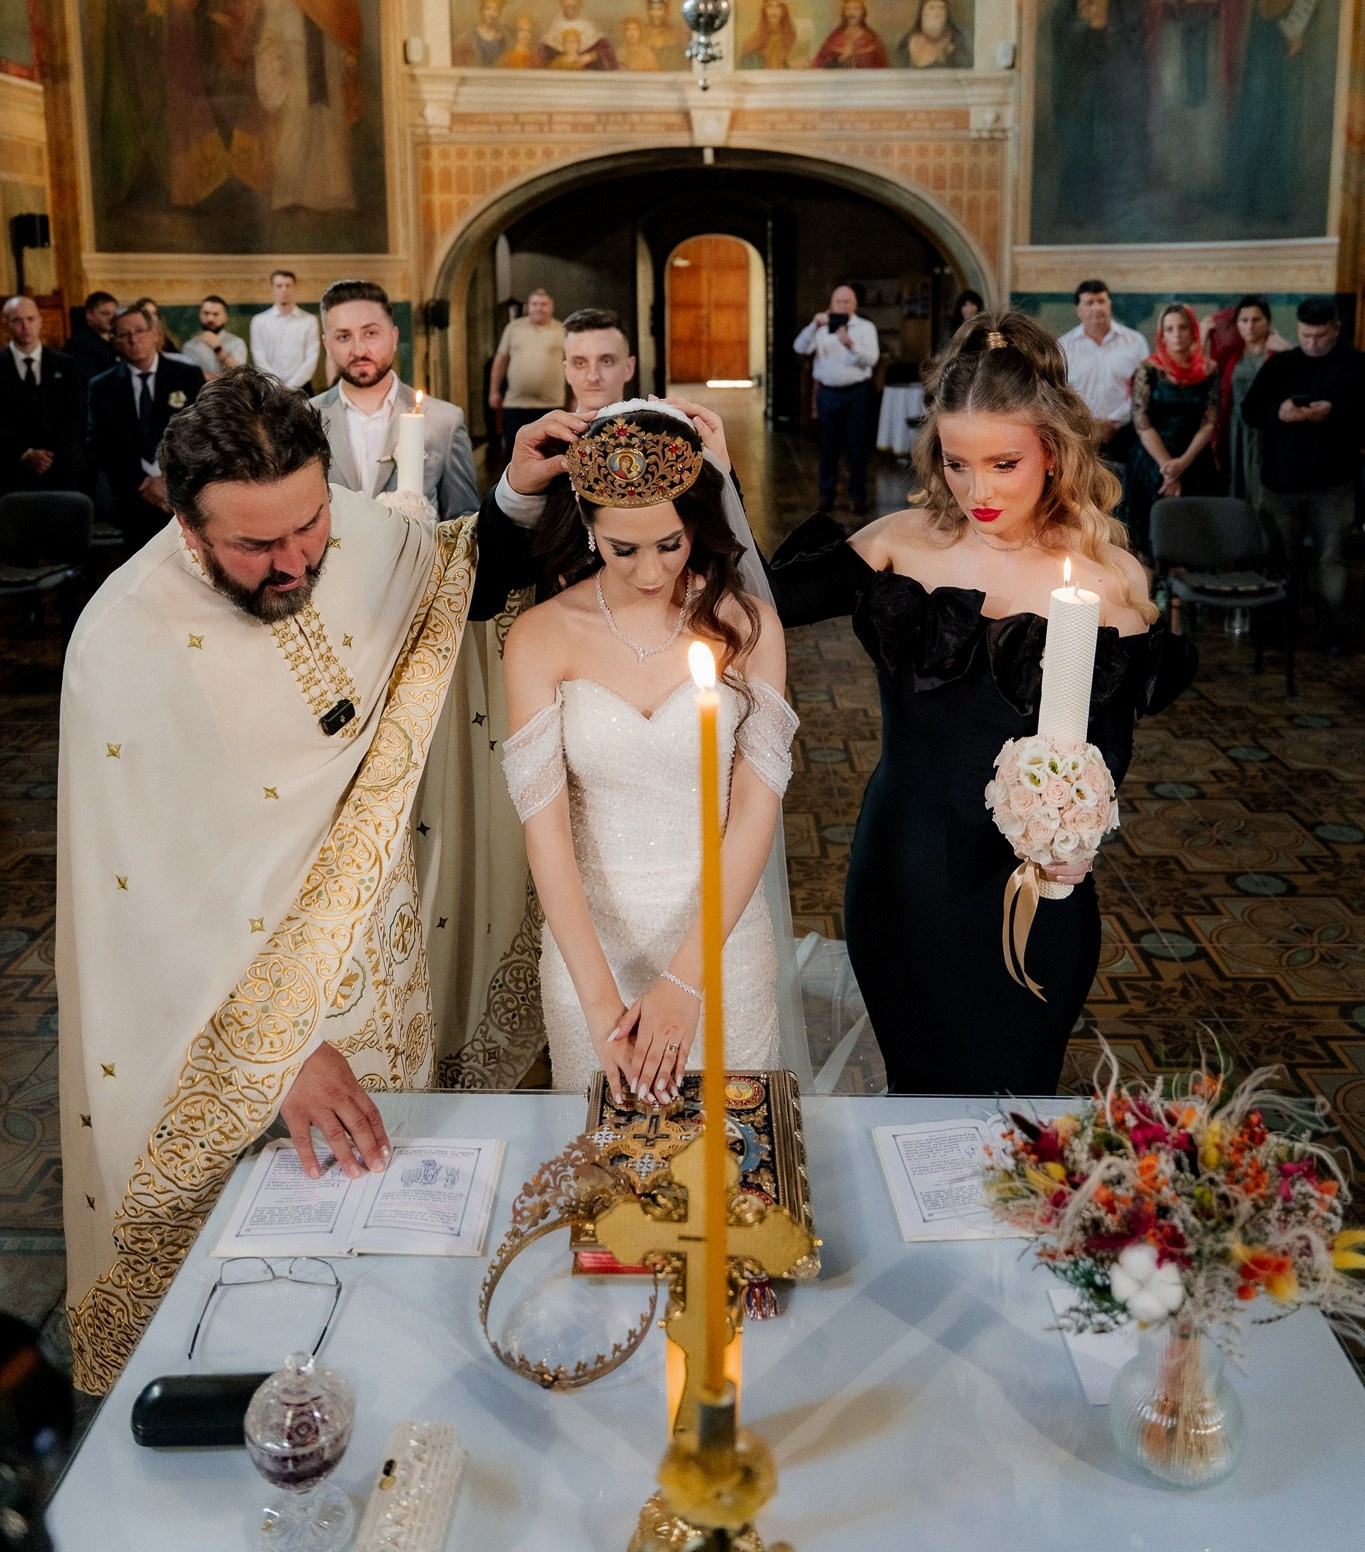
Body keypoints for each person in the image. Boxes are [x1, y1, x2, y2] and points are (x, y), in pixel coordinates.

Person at [57, 368, 571, 1393]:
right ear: (185, 521)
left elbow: (452, 581)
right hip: (237, 1026)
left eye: (308, 525)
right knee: (271, 1305)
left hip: (391, 954)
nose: (294, 561)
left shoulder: (357, 534)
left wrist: (515, 488)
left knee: (406, 1260)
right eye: (255, 545)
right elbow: (143, 902)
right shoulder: (121, 646)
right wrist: (283, 1056)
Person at [768, 310, 1195, 1095]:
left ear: (1053, 452)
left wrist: (1077, 833)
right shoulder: (897, 542)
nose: (978, 491)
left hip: (1032, 883)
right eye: (957, 464)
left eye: (1003, 463)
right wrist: (706, 475)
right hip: (902, 871)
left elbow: (1109, 744)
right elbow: (751, 599)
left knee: (1019, 1095)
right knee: (916, 1093)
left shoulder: (1106, 579)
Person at [501, 404, 796, 1098]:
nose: (648, 571)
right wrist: (600, 1002)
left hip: (723, 947)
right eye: (622, 549)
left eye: (669, 544)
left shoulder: (749, 628)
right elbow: (545, 834)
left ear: (696, 522)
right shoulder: (540, 636)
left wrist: (686, 982)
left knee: (732, 1153)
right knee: (604, 1152)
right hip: (589, 952)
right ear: (587, 526)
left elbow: (754, 815)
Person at [1241, 298, 1365, 648]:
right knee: (1282, 559)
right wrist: (1278, 413)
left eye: (1320, 336)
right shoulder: (1282, 364)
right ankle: (1281, 629)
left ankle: (1335, 633)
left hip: (1334, 483)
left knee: (1332, 558)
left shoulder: (1356, 364)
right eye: (1305, 335)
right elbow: (1250, 410)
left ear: (1335, 330)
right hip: (1282, 483)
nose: (1312, 343)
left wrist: (1335, 412)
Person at [311, 279, 478, 519]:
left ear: (394, 337)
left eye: (370, 333)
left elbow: (464, 522)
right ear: (327, 345)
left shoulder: (444, 421)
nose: (359, 350)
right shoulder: (305, 418)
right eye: (344, 337)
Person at [1229, 0, 1327, 231]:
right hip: (1265, 31)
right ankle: (1246, 200)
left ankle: (1277, 203)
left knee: (1285, 113)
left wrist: (1300, 28)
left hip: (1294, 31)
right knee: (1258, 109)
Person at [256, 0, 363, 215]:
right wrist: (268, 41)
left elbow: (345, 16)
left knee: (330, 123)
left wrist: (349, 51)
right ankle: (288, 195)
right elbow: (273, 14)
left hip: (329, 56)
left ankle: (334, 196)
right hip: (294, 55)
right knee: (295, 120)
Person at [165, 0, 267, 209]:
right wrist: (199, 9)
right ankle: (206, 188)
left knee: (233, 110)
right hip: (196, 48)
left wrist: (233, 18)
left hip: (232, 50)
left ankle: (238, 182)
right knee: (200, 109)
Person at [1050, 0, 1151, 225]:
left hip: (1121, 71)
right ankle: (1082, 209)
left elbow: (1148, 16)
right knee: (1086, 137)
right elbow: (1060, 22)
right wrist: (1081, 25)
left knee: (1121, 135)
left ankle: (1122, 209)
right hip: (1087, 73)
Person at [1147, 0, 1245, 206]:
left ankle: (1207, 186)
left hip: (1212, 44)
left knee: (1209, 113)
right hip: (1180, 47)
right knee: (1178, 108)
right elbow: (1158, 4)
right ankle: (1180, 184)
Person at [86, 304, 203, 552]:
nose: (133, 339)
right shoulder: (102, 387)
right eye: (124, 334)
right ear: (114, 341)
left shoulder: (187, 376)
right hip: (132, 496)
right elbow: (100, 445)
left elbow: (201, 434)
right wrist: (145, 483)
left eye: (140, 331)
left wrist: (168, 481)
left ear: (155, 334)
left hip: (183, 492)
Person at [85, 0, 168, 209]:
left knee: (152, 102)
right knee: (122, 103)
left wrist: (156, 4)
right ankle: (122, 181)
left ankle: (152, 177)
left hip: (146, 38)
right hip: (118, 37)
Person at [1125, 304, 1221, 556]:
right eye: (1169, 329)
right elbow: (1141, 422)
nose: (1176, 334)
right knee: (1150, 538)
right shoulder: (1148, 369)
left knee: (1193, 536)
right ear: (1162, 335)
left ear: (1193, 331)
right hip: (1153, 460)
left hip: (1194, 460)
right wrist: (1168, 468)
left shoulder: (1209, 370)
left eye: (1182, 327)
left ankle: (1186, 581)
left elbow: (1209, 421)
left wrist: (1183, 463)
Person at [794, 284, 880, 514]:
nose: (842, 305)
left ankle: (857, 496)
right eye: (838, 302)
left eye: (847, 301)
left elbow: (872, 359)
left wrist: (850, 344)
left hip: (857, 393)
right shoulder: (821, 329)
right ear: (831, 305)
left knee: (857, 447)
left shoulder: (865, 327)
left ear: (855, 304)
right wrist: (814, 325)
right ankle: (826, 496)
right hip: (828, 393)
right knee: (827, 446)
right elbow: (799, 347)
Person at [1059, 279, 1149, 479]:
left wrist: (1113, 421)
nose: (1096, 308)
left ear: (1110, 304)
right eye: (1089, 303)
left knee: (1126, 491)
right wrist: (1088, 423)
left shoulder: (1135, 342)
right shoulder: (1064, 346)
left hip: (1126, 433)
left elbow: (1142, 390)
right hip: (1079, 434)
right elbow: (1059, 392)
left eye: (1101, 301)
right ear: (1079, 310)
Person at [0, 296, 87, 495]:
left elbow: (76, 412)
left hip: (62, 467)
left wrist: (49, 455)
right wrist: (24, 453)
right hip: (12, 470)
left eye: (30, 319)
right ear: (6, 324)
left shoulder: (67, 364)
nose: (25, 326)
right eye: (17, 320)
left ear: (40, 321)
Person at [1224, 295, 1290, 508]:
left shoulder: (1279, 351)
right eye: (1244, 320)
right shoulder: (1232, 354)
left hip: (1268, 428)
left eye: (1256, 319)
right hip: (1237, 428)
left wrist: (1287, 353)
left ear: (1267, 321)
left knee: (1264, 487)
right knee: (1237, 482)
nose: (1250, 326)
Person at [489, 288, 566, 448]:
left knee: (550, 452)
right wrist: (493, 391)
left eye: (543, 304)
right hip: (515, 404)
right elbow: (501, 360)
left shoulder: (562, 330)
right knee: (514, 450)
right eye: (534, 304)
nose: (538, 308)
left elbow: (573, 363)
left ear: (552, 307)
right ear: (528, 307)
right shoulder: (513, 328)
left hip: (551, 404)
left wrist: (577, 398)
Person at [250, 269, 320, 390]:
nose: (284, 290)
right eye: (279, 286)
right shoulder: (259, 321)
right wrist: (277, 385)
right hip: (269, 387)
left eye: (288, 285)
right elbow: (260, 358)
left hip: (302, 387)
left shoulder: (309, 320)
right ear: (272, 289)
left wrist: (289, 387)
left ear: (294, 288)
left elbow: (311, 358)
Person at [563, 307, 637, 414]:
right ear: (567, 372)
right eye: (580, 363)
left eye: (606, 361)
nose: (593, 377)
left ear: (628, 368)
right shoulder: (544, 425)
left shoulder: (655, 425)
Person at [895, 0, 971, 69]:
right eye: (931, 7)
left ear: (946, 12)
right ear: (923, 12)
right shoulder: (908, 41)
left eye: (941, 7)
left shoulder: (956, 40)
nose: (936, 13)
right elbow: (899, 69)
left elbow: (964, 68)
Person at [813, 0, 889, 69]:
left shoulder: (872, 39)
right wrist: (841, 58)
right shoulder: (834, 37)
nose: (851, 13)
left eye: (856, 9)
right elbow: (819, 65)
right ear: (843, 12)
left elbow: (883, 67)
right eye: (848, 9)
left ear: (863, 12)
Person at [181, 295, 246, 377]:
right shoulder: (190, 346)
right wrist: (225, 378)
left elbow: (239, 374)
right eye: (206, 313)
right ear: (200, 315)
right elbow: (192, 376)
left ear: (225, 317)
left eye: (216, 314)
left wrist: (218, 349)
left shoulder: (237, 343)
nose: (210, 319)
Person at [63, 292, 119, 384]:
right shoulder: (79, 345)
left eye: (114, 314)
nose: (112, 318)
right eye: (105, 313)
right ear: (89, 314)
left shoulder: (117, 340)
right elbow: (90, 381)